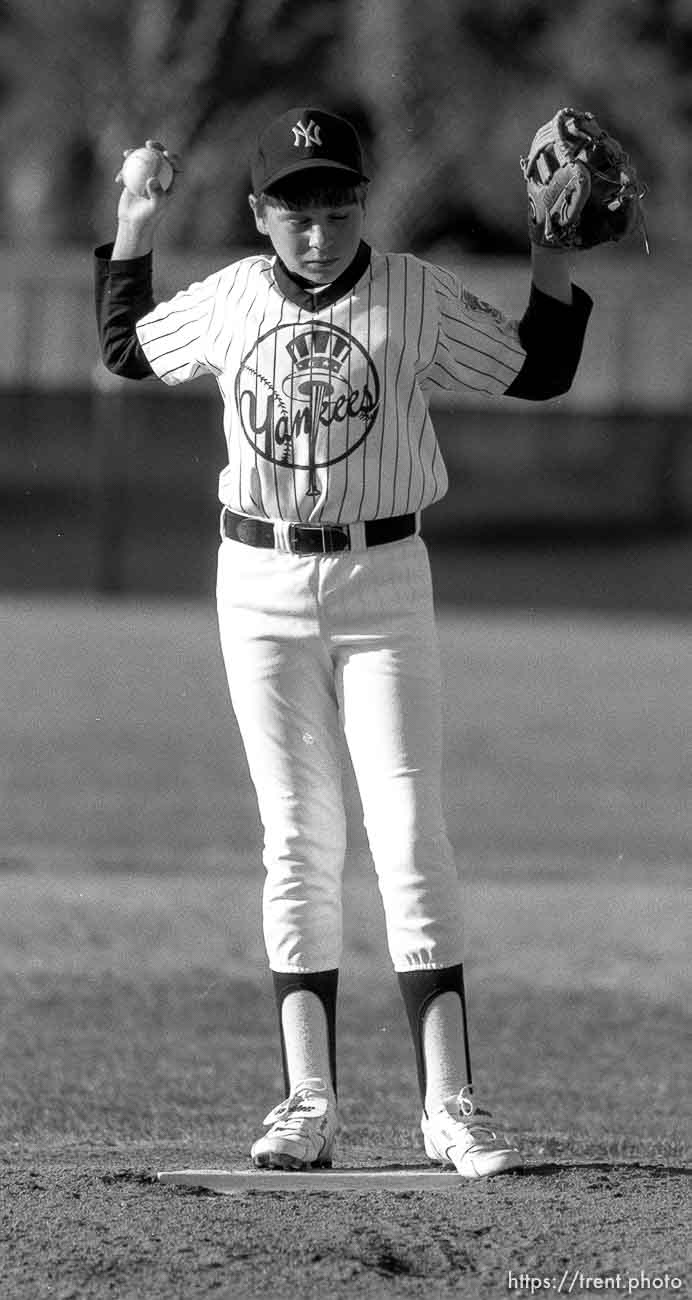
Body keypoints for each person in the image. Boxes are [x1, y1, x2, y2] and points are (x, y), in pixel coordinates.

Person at [95, 106, 592, 1178]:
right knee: (295, 839)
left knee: (409, 830)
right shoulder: (230, 298)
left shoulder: (409, 293)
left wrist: (547, 255)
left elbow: (536, 371)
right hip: (260, 583)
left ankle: (448, 1106)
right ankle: (306, 1102)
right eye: (293, 210)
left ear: (358, 204)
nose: (315, 230)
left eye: (333, 207)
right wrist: (134, 220)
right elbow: (126, 349)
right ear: (258, 213)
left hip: (383, 580)